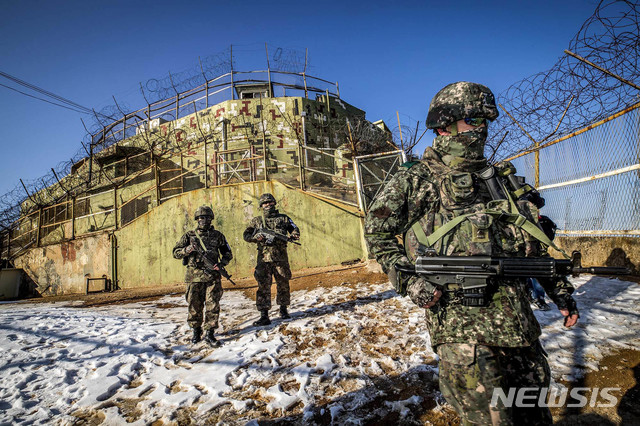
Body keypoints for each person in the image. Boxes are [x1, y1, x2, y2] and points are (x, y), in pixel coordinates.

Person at [364, 82, 579, 425]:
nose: (482, 128)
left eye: (485, 120)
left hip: (519, 326)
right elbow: (377, 232)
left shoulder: (501, 181)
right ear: (443, 124)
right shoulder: (418, 179)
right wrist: (409, 281)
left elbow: (531, 245)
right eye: (474, 119)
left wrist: (561, 293)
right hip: (463, 331)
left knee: (535, 417)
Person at [173, 205, 233, 346]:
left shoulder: (218, 236)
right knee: (194, 304)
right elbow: (176, 252)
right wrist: (187, 250)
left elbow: (228, 253)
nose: (204, 220)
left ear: (211, 219)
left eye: (206, 217)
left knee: (213, 304)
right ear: (197, 219)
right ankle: (196, 331)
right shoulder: (189, 236)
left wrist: (221, 264)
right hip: (194, 276)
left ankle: (210, 333)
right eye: (201, 218)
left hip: (212, 276)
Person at [243, 193, 300, 326]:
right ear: (261, 206)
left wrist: (294, 234)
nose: (268, 205)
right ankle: (264, 315)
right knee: (263, 287)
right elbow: (246, 235)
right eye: (265, 203)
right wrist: (256, 237)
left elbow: (294, 228)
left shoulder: (284, 218)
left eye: (270, 202)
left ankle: (283, 309)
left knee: (283, 284)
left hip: (280, 258)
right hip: (263, 260)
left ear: (274, 204)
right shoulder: (257, 221)